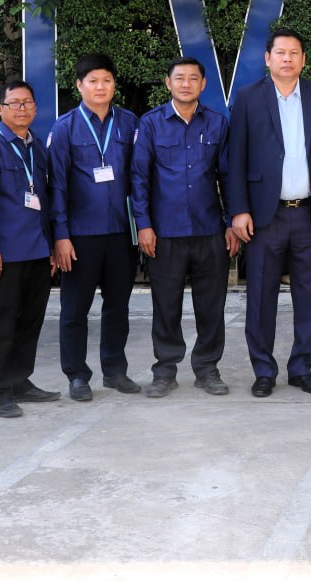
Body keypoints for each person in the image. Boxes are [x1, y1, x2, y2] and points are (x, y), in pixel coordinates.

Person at [225, 29, 311, 398]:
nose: (287, 59)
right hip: (264, 215)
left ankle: (302, 368)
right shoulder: (248, 98)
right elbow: (235, 159)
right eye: (280, 52)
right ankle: (263, 370)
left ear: (303, 59)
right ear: (267, 58)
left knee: (309, 295)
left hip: (308, 213)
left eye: (294, 53)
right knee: (260, 295)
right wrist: (239, 210)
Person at [131, 56, 239, 398]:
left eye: (194, 78)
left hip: (209, 230)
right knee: (166, 305)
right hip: (166, 232)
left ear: (203, 84)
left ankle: (207, 369)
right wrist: (143, 226)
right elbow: (139, 179)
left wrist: (232, 222)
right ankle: (164, 371)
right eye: (179, 78)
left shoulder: (217, 123)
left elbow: (228, 176)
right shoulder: (151, 123)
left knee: (211, 306)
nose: (186, 84)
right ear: (168, 83)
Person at [48, 53, 141, 401]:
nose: (100, 87)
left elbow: (140, 178)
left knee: (118, 306)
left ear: (114, 84)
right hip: (80, 235)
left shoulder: (130, 123)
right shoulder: (65, 128)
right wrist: (61, 236)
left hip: (120, 232)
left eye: (106, 80)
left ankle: (115, 371)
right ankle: (76, 375)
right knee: (75, 310)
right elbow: (57, 186)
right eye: (93, 81)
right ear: (79, 86)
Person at [0, 80, 60, 418]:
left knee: (30, 321)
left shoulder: (36, 146)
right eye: (14, 103)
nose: (22, 108)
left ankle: (20, 380)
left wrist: (50, 246)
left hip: (36, 251)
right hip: (4, 254)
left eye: (28, 103)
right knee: (0, 323)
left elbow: (44, 199)